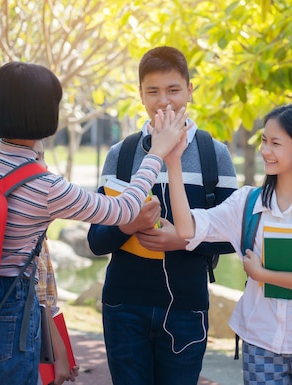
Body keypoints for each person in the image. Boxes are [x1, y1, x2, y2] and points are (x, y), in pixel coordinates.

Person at [0, 61, 188, 385]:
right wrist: (157, 153)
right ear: (45, 116)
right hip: (2, 318)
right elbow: (123, 209)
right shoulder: (46, 187)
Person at [166, 103, 292, 385]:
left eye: (276, 143)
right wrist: (173, 163)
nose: (265, 150)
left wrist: (263, 275)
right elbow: (186, 228)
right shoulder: (247, 202)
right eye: (264, 141)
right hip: (260, 340)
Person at [87, 46, 238, 385]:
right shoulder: (121, 155)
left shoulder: (215, 155)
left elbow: (235, 238)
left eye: (173, 90)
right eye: (153, 91)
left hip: (187, 308)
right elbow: (96, 241)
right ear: (140, 95)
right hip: (123, 308)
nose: (164, 101)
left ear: (190, 91)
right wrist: (128, 226)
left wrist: (184, 239)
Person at [0, 134, 78, 385]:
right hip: (23, 335)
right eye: (38, 157)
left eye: (43, 157)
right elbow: (38, 297)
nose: (44, 166)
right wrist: (59, 352)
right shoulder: (27, 230)